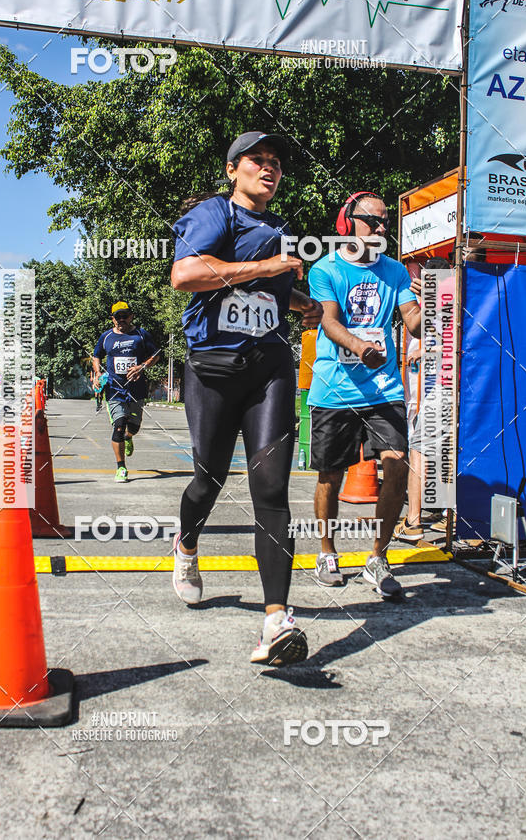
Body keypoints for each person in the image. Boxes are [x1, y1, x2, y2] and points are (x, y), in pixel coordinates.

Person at [171, 130, 323, 666]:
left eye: (276, 162)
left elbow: (266, 292)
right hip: (213, 369)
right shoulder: (216, 214)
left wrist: (300, 303)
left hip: (269, 369)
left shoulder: (280, 229)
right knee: (208, 479)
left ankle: (276, 620)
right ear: (233, 169)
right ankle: (186, 546)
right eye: (257, 160)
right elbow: (185, 275)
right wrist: (266, 267)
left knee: (272, 489)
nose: (269, 168)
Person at [308, 191, 421, 595]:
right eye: (373, 220)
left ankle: (377, 558)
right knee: (330, 475)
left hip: (384, 389)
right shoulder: (324, 269)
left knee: (397, 464)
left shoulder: (395, 271)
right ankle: (327, 552)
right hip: (335, 389)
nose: (381, 228)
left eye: (386, 221)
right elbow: (329, 321)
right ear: (347, 223)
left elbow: (412, 320)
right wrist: (359, 347)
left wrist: (432, 305)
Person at [395, 257, 453, 542]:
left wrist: (427, 352)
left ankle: (413, 521)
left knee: (419, 449)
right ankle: (447, 515)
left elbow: (455, 343)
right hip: (451, 388)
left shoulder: (446, 298)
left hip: (445, 387)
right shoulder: (457, 295)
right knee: (447, 451)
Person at [92, 302, 159, 482]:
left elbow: (156, 355)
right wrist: (97, 374)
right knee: (119, 425)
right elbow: (96, 355)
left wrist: (142, 367)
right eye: (118, 317)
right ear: (112, 319)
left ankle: (129, 437)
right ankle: (121, 468)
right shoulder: (106, 337)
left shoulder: (141, 335)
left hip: (136, 390)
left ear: (131, 316)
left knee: (134, 427)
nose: (121, 320)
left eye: (125, 316)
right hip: (114, 390)